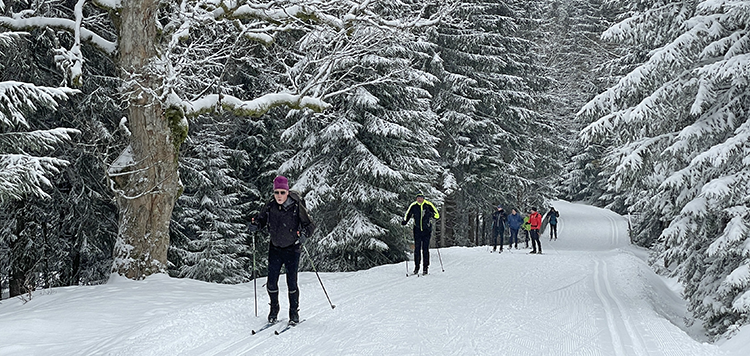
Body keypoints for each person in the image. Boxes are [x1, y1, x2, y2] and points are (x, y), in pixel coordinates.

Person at [250, 176, 315, 324]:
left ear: (287, 192)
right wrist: (255, 225)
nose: (279, 196)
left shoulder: (296, 205)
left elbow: (310, 225)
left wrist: (305, 235)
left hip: (292, 249)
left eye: (282, 192)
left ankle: (294, 313)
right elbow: (261, 219)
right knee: (271, 283)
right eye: (276, 192)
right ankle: (274, 310)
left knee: (291, 282)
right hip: (275, 248)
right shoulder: (271, 205)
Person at [402, 192, 440, 275]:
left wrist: (431, 214)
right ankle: (416, 267)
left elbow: (437, 215)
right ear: (416, 199)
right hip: (417, 230)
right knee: (417, 249)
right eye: (418, 198)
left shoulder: (428, 204)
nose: (419, 199)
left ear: (423, 198)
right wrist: (405, 221)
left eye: (421, 198)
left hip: (426, 230)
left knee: (425, 249)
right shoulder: (413, 205)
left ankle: (425, 268)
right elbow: (408, 214)